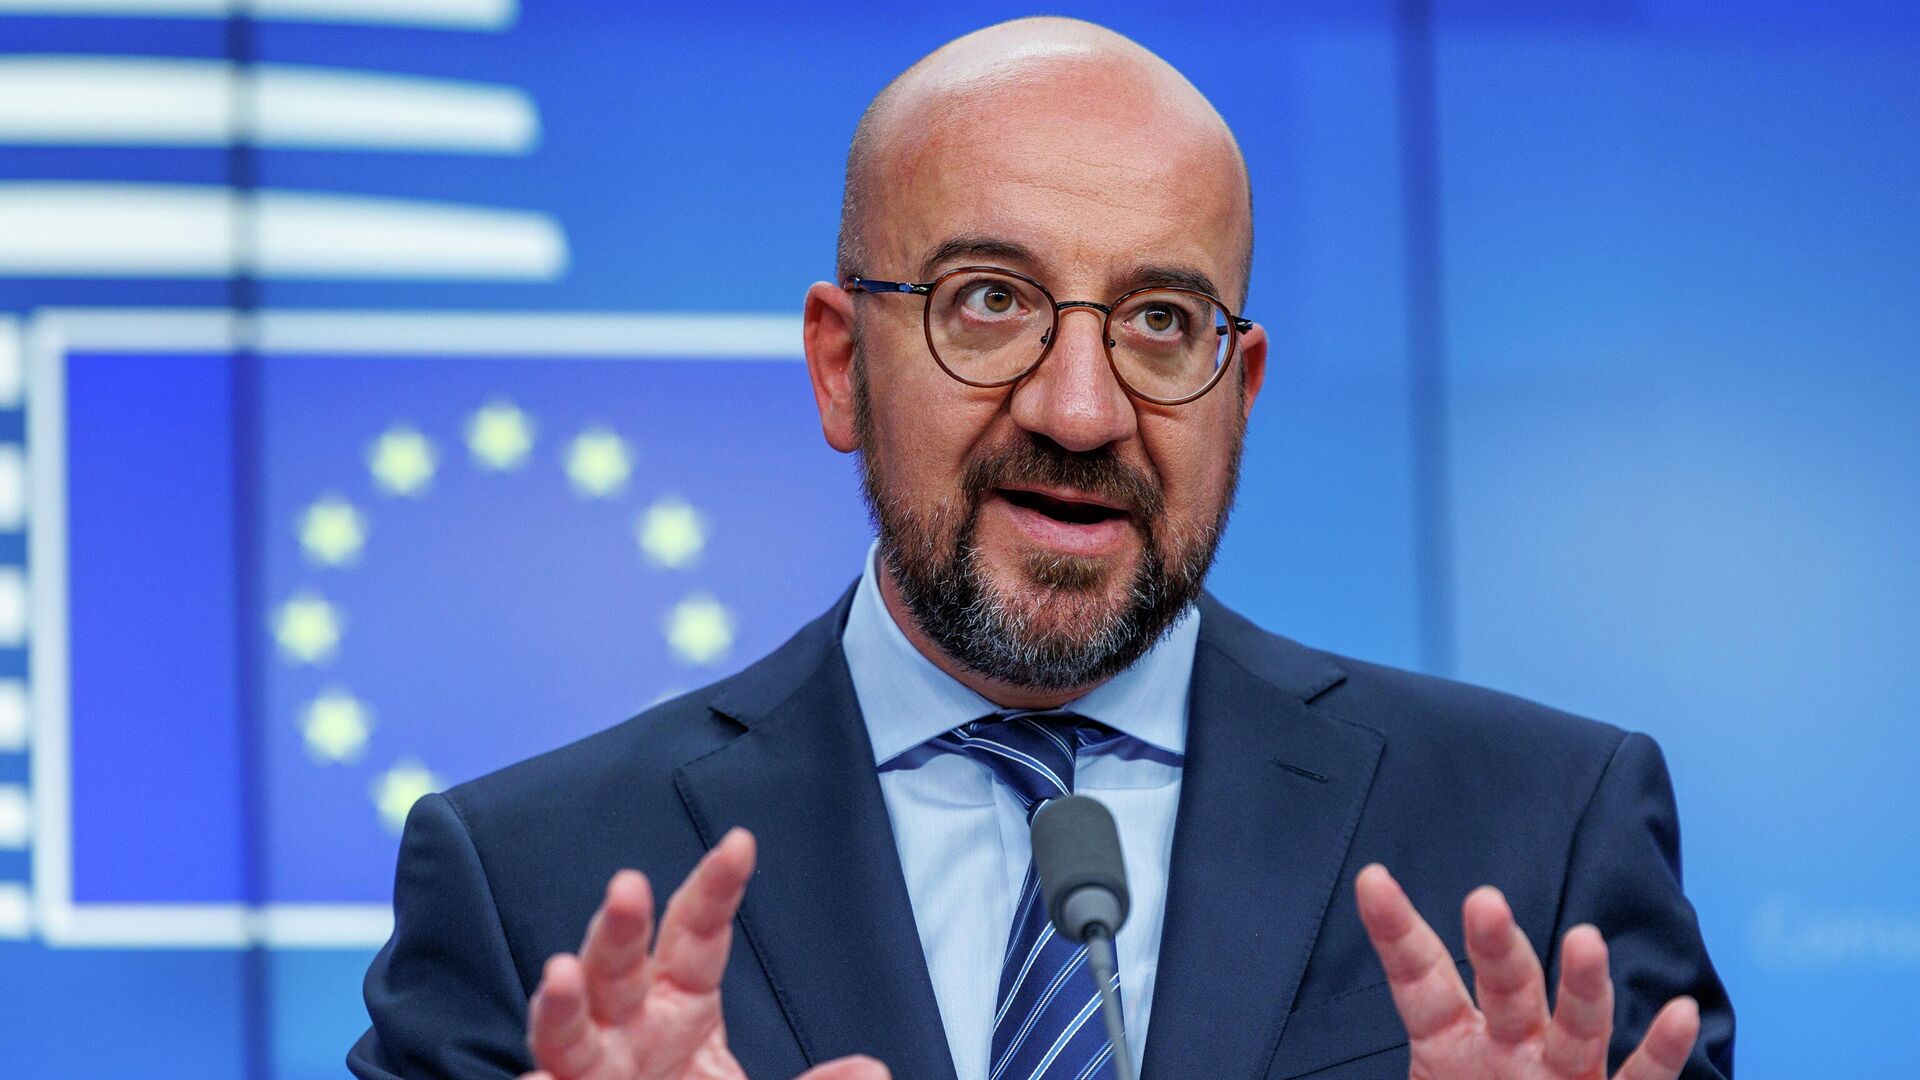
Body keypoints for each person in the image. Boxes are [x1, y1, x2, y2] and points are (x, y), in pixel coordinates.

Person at [349, 17, 1733, 1080]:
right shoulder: (530, 890)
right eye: (990, 301)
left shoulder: (1544, 837)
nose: (1080, 411)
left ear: (1240, 392)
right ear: (841, 366)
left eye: (1162, 322)